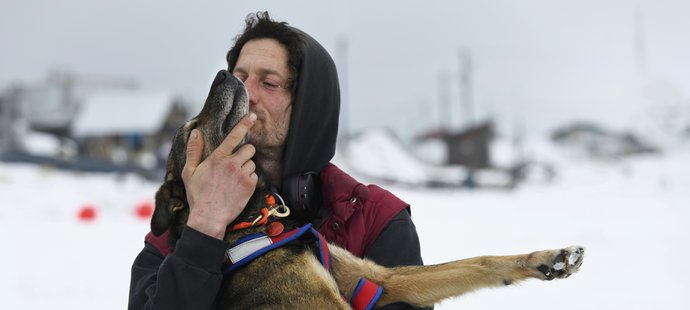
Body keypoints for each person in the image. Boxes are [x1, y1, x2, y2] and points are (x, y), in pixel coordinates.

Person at [129, 12, 429, 310]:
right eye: (239, 77)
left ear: (309, 107)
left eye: (269, 83)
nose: (245, 92)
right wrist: (204, 230)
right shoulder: (176, 237)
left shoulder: (375, 221)